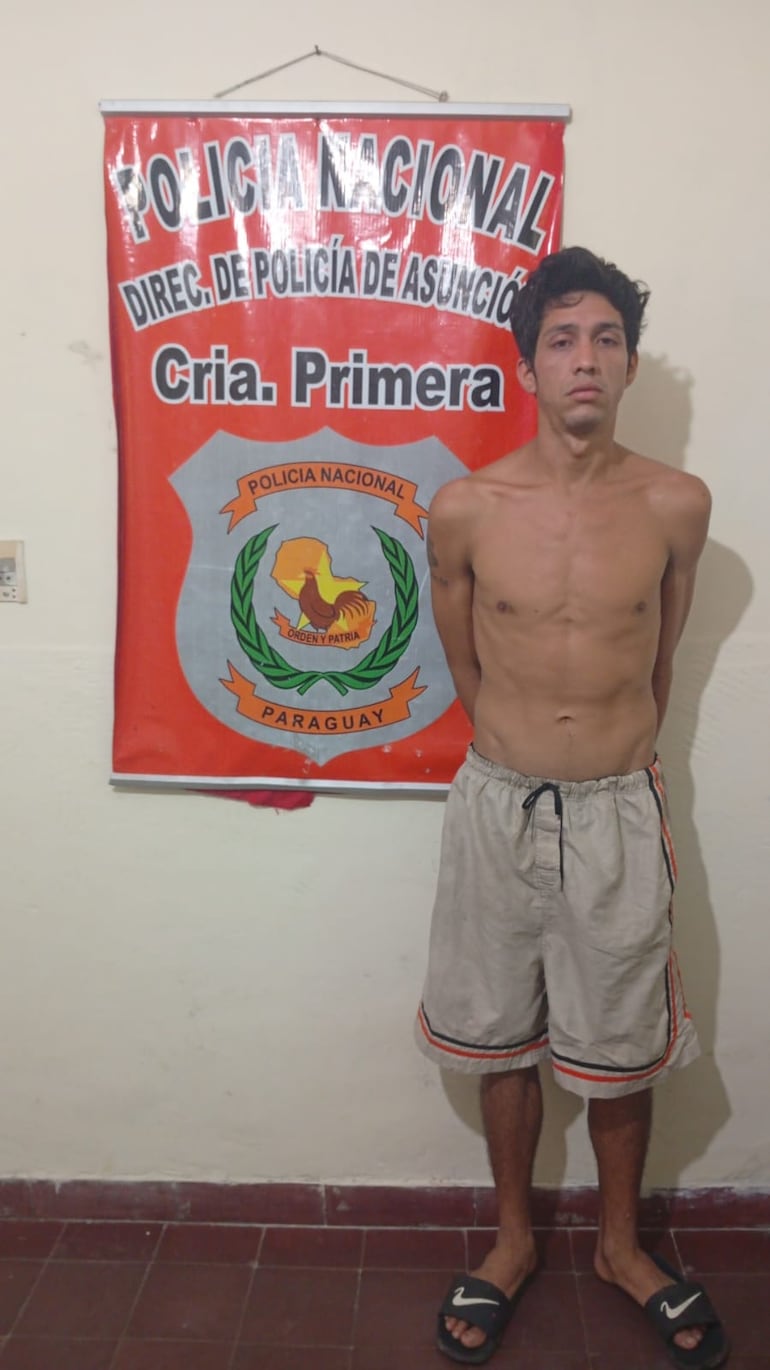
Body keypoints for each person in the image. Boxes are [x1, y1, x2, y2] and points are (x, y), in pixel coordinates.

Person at [416, 247, 728, 1368]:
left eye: (605, 338)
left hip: (615, 811)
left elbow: (658, 660)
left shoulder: (676, 506)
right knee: (498, 1031)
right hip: (497, 804)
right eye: (561, 340)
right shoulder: (464, 508)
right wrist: (521, 748)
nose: (584, 358)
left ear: (628, 363)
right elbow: (465, 661)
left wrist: (601, 755)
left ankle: (620, 1245)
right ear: (529, 367)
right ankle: (512, 1240)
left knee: (621, 1040)